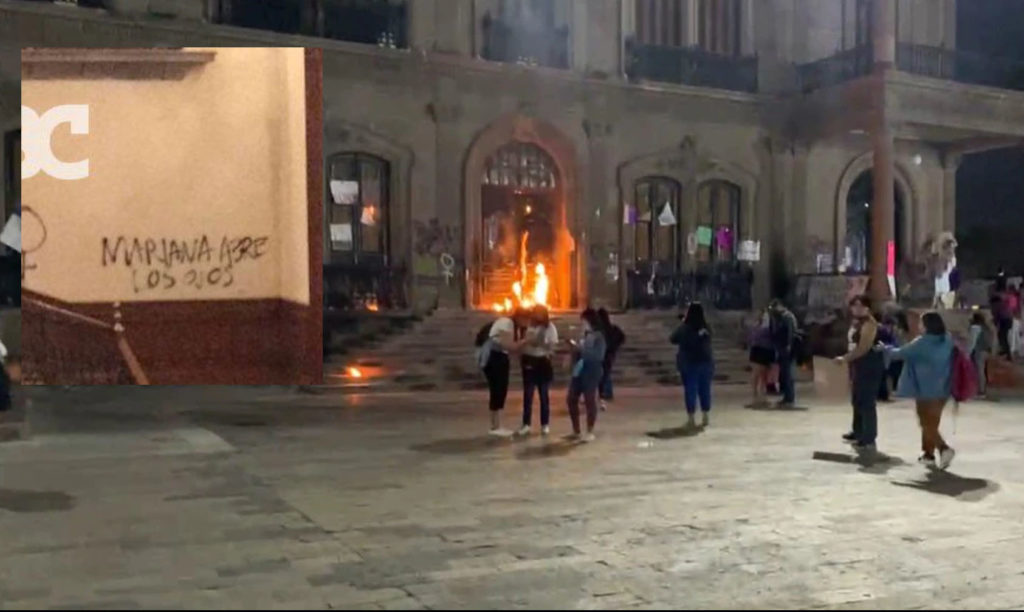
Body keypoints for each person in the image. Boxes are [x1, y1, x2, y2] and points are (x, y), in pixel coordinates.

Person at [886, 311, 956, 470]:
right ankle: (928, 455)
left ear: (927, 325)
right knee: (932, 422)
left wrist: (885, 348)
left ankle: (944, 449)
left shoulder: (922, 342)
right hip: (944, 387)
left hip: (925, 388)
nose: (918, 326)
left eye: (921, 323)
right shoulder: (947, 339)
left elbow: (900, 354)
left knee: (926, 423)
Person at [837, 296, 886, 453]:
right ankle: (858, 431)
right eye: (854, 306)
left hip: (869, 364)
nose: (857, 309)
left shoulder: (869, 324)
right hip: (857, 364)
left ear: (868, 308)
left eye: (861, 306)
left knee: (866, 401)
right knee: (857, 398)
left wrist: (844, 358)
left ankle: (869, 437)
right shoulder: (856, 322)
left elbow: (863, 347)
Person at [479, 308, 529, 436]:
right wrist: (526, 341)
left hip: (500, 357)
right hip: (494, 357)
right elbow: (509, 346)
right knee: (497, 389)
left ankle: (497, 425)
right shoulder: (507, 323)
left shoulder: (511, 325)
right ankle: (495, 426)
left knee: (500, 390)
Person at [670, 302, 714, 428]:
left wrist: (683, 324)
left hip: (689, 363)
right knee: (705, 389)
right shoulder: (706, 327)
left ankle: (691, 418)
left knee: (690, 390)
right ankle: (705, 415)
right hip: (705, 362)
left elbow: (672, 338)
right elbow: (710, 338)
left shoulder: (685, 327)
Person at [566, 308, 607, 442]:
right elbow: (579, 352)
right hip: (580, 369)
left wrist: (581, 349)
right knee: (571, 398)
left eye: (584, 321)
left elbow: (597, 356)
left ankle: (589, 431)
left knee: (589, 399)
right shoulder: (584, 335)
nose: (582, 324)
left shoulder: (599, 337)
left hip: (592, 370)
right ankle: (576, 430)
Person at [518, 306, 558, 436]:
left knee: (544, 395)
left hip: (542, 361)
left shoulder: (550, 328)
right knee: (528, 395)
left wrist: (542, 343)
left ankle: (545, 424)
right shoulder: (527, 326)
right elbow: (521, 342)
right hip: (529, 360)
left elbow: (553, 345)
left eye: (540, 314)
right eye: (535, 314)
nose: (537, 317)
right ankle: (526, 424)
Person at [769, 299, 798, 408]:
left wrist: (788, 345)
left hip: (787, 349)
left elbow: (791, 332)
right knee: (784, 374)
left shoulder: (788, 317)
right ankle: (786, 396)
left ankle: (790, 397)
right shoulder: (779, 317)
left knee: (788, 374)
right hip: (781, 348)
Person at [597, 308, 625, 410]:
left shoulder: (605, 329)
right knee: (605, 372)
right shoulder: (609, 328)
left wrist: (613, 346)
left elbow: (621, 337)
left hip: (606, 353)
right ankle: (606, 392)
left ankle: (606, 392)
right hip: (609, 353)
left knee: (604, 373)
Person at [747, 308, 775, 408]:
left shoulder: (769, 325)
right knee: (756, 373)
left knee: (764, 375)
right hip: (758, 350)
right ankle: (755, 394)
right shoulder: (756, 326)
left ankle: (762, 394)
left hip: (766, 351)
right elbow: (752, 338)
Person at [968, 311, 993, 400]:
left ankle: (980, 391)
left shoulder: (975, 328)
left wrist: (967, 353)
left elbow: (972, 342)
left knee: (979, 372)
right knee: (982, 371)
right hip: (986, 351)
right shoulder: (986, 327)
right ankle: (982, 390)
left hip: (979, 351)